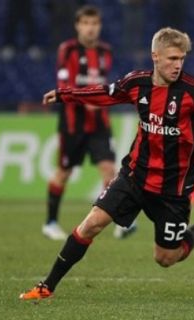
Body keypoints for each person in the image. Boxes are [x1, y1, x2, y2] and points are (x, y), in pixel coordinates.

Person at [19, 27, 194, 300]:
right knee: (91, 224)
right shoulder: (138, 83)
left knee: (166, 258)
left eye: (182, 59)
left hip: (173, 190)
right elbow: (105, 93)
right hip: (135, 176)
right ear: (155, 56)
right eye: (172, 58)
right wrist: (66, 94)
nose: (178, 65)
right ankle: (46, 287)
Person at [42, 5, 135, 241]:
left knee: (109, 170)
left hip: (99, 123)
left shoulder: (106, 51)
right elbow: (63, 84)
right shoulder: (68, 50)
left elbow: (105, 85)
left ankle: (119, 224)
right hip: (73, 123)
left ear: (99, 26)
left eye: (94, 24)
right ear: (77, 26)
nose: (90, 28)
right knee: (64, 171)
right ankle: (50, 222)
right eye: (85, 23)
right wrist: (87, 101)